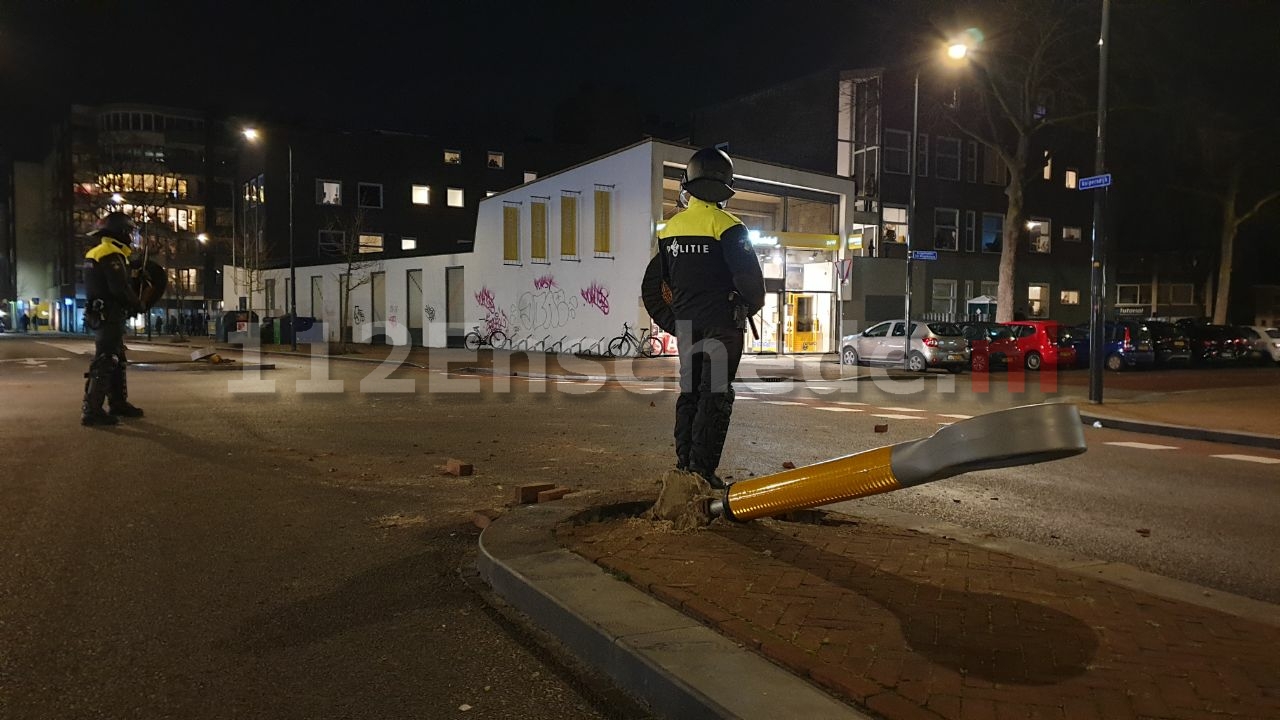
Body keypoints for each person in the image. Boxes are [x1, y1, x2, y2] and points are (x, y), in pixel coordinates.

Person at [642, 147, 764, 488]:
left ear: (688, 185)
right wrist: (740, 312)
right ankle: (702, 473)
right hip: (722, 328)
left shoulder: (669, 230)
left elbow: (654, 286)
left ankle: (685, 467)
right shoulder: (729, 226)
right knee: (716, 396)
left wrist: (674, 321)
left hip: (687, 328)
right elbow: (753, 287)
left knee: (690, 393)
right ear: (725, 188)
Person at [81, 212, 148, 426]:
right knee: (105, 360)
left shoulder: (98, 251)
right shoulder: (110, 253)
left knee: (116, 359)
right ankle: (92, 410)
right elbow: (119, 287)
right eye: (129, 232)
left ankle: (118, 402)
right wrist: (137, 303)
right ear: (120, 232)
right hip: (109, 314)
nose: (131, 236)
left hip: (101, 313)